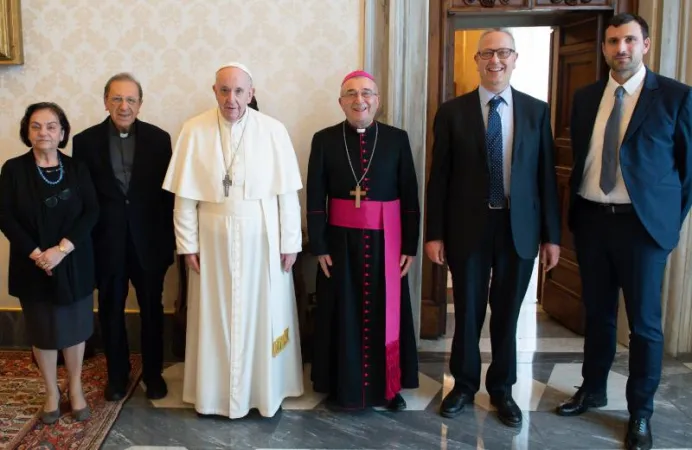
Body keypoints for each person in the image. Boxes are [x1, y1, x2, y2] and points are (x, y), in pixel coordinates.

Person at [556, 13, 692, 450]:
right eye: (613, 41)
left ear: (645, 45)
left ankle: (640, 414)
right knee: (596, 315)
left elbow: (687, 173)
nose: (621, 49)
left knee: (645, 327)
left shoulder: (675, 97)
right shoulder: (586, 97)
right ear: (605, 47)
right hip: (593, 220)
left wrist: (665, 225)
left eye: (630, 40)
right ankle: (592, 388)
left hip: (642, 229)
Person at [425, 28, 561, 427]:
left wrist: (552, 236)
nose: (495, 60)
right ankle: (463, 386)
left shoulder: (537, 111)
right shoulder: (452, 112)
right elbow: (440, 177)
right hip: (468, 228)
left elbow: (546, 179)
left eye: (503, 53)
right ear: (477, 60)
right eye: (487, 53)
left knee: (507, 314)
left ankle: (502, 390)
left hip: (518, 228)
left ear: (515, 59)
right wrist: (435, 232)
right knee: (467, 311)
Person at [162, 62, 304, 418]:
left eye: (239, 91)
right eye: (224, 90)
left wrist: (290, 243)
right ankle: (213, 396)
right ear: (214, 91)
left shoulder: (273, 131)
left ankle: (265, 391)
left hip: (264, 239)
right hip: (212, 241)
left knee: (263, 311)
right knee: (215, 315)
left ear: (251, 93)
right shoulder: (194, 130)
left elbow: (287, 194)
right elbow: (185, 199)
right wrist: (187, 245)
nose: (231, 99)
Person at [306, 70, 420, 411]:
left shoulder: (396, 139)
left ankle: (389, 386)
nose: (360, 100)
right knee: (342, 311)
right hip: (340, 245)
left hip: (386, 242)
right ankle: (339, 385)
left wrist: (409, 246)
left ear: (378, 100)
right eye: (352, 94)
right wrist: (320, 245)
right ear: (341, 102)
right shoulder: (324, 139)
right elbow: (315, 197)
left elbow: (410, 196)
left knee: (385, 311)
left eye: (367, 93)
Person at [72, 73, 174, 401]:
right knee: (111, 310)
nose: (124, 106)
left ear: (140, 104)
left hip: (149, 242)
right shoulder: (85, 142)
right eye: (117, 99)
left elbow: (167, 196)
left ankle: (154, 373)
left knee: (152, 310)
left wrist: (172, 240)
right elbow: (83, 197)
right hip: (107, 242)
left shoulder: (160, 140)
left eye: (131, 99)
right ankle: (117, 376)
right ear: (105, 102)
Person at [0, 102, 99, 424]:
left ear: (62, 132)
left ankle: (75, 387)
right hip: (32, 265)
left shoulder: (77, 168)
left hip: (73, 261)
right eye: (36, 126)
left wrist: (62, 249)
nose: (44, 132)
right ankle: (50, 392)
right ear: (27, 131)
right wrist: (37, 254)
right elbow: (5, 216)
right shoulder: (13, 169)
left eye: (52, 126)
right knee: (42, 331)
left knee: (74, 329)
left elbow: (91, 212)